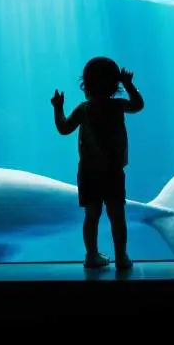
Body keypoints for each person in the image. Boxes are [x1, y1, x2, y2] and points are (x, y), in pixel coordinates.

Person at [51, 57, 144, 270]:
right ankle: (121, 257)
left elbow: (63, 128)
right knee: (117, 216)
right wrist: (129, 84)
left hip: (89, 172)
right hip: (113, 172)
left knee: (91, 216)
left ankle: (91, 255)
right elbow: (138, 105)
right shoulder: (118, 106)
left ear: (85, 85)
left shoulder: (83, 109)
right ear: (115, 85)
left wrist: (57, 108)